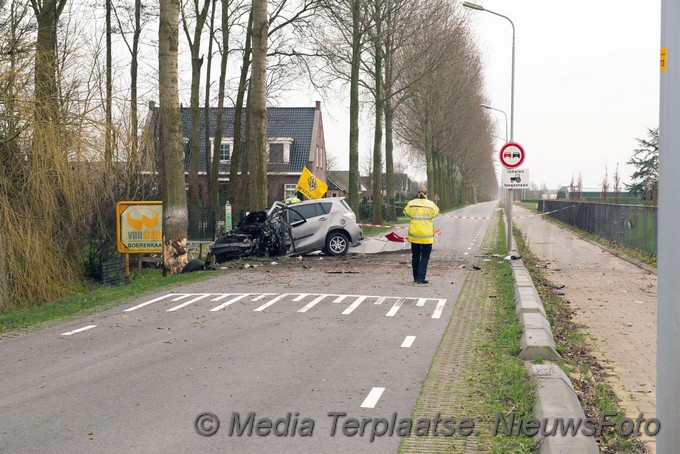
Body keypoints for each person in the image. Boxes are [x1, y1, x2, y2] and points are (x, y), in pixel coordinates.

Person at [404, 188, 439, 284]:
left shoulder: (411, 203)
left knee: (415, 256)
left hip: (414, 235)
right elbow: (436, 213)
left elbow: (406, 213)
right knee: (425, 257)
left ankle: (415, 277)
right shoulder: (431, 204)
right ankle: (421, 277)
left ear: (418, 193)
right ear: (426, 194)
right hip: (426, 236)